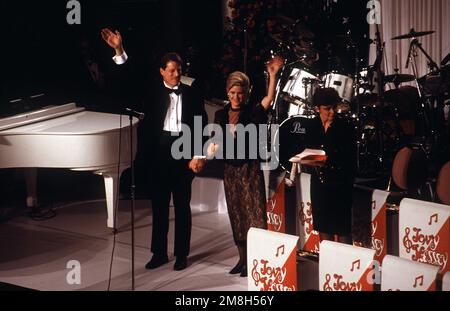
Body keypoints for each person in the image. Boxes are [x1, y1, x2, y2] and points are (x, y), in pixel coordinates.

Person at [101, 28, 207, 271]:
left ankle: (181, 254)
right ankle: (159, 253)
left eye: (179, 70)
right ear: (161, 71)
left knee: (182, 207)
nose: (176, 74)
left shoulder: (192, 94)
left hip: (183, 152)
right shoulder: (151, 90)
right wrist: (119, 50)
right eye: (171, 70)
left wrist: (198, 154)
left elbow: (202, 124)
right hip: (158, 154)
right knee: (159, 207)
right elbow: (128, 77)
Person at [207, 57, 284, 277]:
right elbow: (215, 142)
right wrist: (203, 156)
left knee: (254, 215)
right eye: (232, 92)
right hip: (230, 171)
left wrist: (273, 75)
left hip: (249, 170)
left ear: (246, 93)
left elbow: (269, 98)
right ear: (227, 92)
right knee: (237, 215)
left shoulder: (252, 112)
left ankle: (254, 260)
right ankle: (242, 260)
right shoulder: (221, 115)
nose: (236, 97)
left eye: (240, 93)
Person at [305, 88, 357, 244]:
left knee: (342, 228)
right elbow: (307, 150)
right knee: (323, 226)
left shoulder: (346, 127)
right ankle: (328, 264)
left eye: (335, 107)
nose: (332, 112)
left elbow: (350, 160)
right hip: (319, 184)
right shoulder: (311, 125)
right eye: (327, 108)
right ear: (317, 108)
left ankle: (346, 266)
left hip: (340, 184)